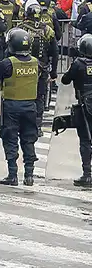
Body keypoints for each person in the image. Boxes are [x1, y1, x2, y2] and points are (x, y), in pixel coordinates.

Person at [0, 27, 40, 186]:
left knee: (10, 138)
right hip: (30, 106)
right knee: (29, 138)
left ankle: (12, 175)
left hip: (11, 106)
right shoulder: (36, 62)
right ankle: (29, 175)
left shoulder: (7, 63)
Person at [16, 1, 58, 127]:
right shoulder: (48, 30)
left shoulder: (20, 28)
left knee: (21, 95)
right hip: (42, 68)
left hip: (22, 66)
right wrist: (54, 71)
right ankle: (37, 124)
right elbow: (55, 52)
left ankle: (22, 123)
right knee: (40, 96)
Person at [61, 34, 92, 187]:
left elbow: (65, 79)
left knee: (86, 139)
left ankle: (87, 174)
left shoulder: (79, 64)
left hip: (85, 105)